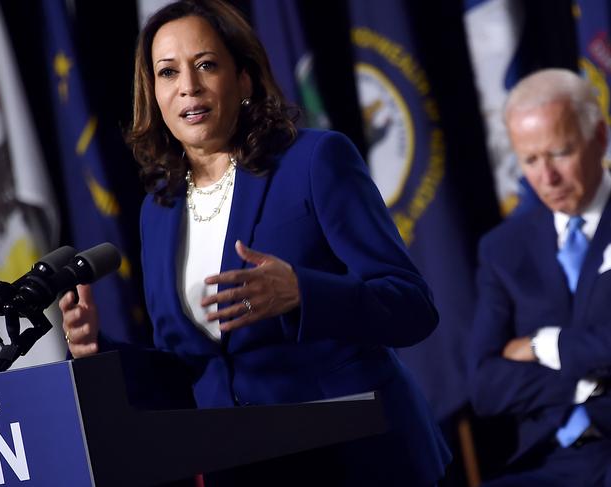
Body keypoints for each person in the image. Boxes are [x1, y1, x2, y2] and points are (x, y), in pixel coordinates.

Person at [60, 1, 450, 485]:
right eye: (168, 72)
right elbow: (191, 371)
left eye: (206, 65)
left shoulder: (315, 161)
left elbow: (413, 306)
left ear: (243, 80)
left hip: (356, 458)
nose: (189, 86)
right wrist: (101, 351)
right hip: (244, 468)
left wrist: (303, 293)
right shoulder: (158, 211)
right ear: (154, 94)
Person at [469, 68, 611, 486]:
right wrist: (588, 385)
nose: (547, 178)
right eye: (531, 160)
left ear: (600, 138)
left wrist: (540, 345)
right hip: (550, 459)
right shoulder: (502, 248)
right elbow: (485, 385)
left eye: (560, 153)